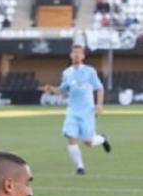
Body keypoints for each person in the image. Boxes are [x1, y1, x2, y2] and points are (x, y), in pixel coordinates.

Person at [42, 45, 111, 175]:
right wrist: (52, 89)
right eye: (74, 53)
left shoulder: (90, 71)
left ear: (83, 56)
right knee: (70, 136)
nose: (77, 55)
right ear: (71, 55)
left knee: (88, 142)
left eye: (79, 53)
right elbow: (63, 90)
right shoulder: (67, 72)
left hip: (87, 111)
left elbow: (99, 88)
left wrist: (100, 105)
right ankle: (80, 167)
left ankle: (102, 138)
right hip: (72, 111)